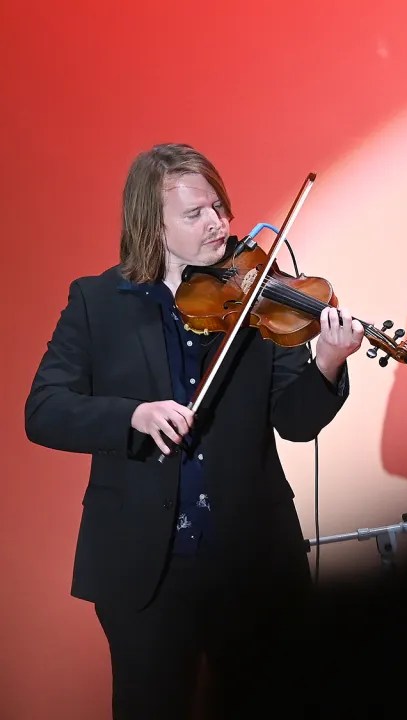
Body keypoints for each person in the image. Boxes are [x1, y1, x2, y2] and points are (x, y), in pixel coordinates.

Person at [24, 143, 365, 719]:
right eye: (194, 213)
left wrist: (328, 362)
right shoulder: (97, 302)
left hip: (253, 560)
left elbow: (296, 421)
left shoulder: (259, 294)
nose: (217, 223)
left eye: (219, 207)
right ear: (151, 225)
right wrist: (132, 415)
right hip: (144, 567)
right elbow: (45, 409)